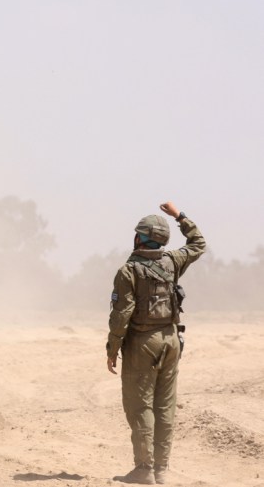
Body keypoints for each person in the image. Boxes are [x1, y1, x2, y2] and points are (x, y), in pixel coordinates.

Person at [106, 201, 206, 484]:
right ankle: (162, 470)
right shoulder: (174, 261)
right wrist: (180, 216)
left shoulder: (128, 271)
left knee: (140, 406)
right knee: (165, 406)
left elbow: (121, 315)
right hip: (171, 340)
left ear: (139, 237)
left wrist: (112, 350)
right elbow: (198, 243)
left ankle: (144, 470)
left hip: (142, 343)